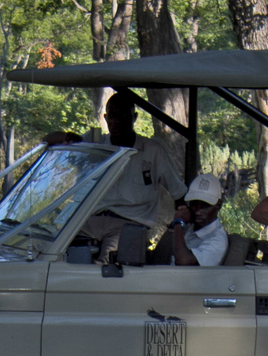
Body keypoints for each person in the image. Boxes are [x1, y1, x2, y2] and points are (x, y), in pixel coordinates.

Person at [48, 91, 185, 260]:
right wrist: (69, 137)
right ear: (106, 118)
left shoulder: (152, 151)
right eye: (112, 116)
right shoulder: (94, 143)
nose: (117, 121)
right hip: (91, 220)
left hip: (130, 224)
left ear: (133, 118)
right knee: (54, 249)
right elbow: (48, 140)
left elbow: (179, 193)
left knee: (108, 264)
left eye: (123, 116)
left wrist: (182, 225)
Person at [155, 173, 229, 267]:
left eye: (205, 206)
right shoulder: (189, 227)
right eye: (194, 205)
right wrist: (173, 227)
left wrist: (178, 222)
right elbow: (159, 257)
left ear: (218, 205)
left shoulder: (218, 239)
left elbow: (183, 261)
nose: (198, 212)